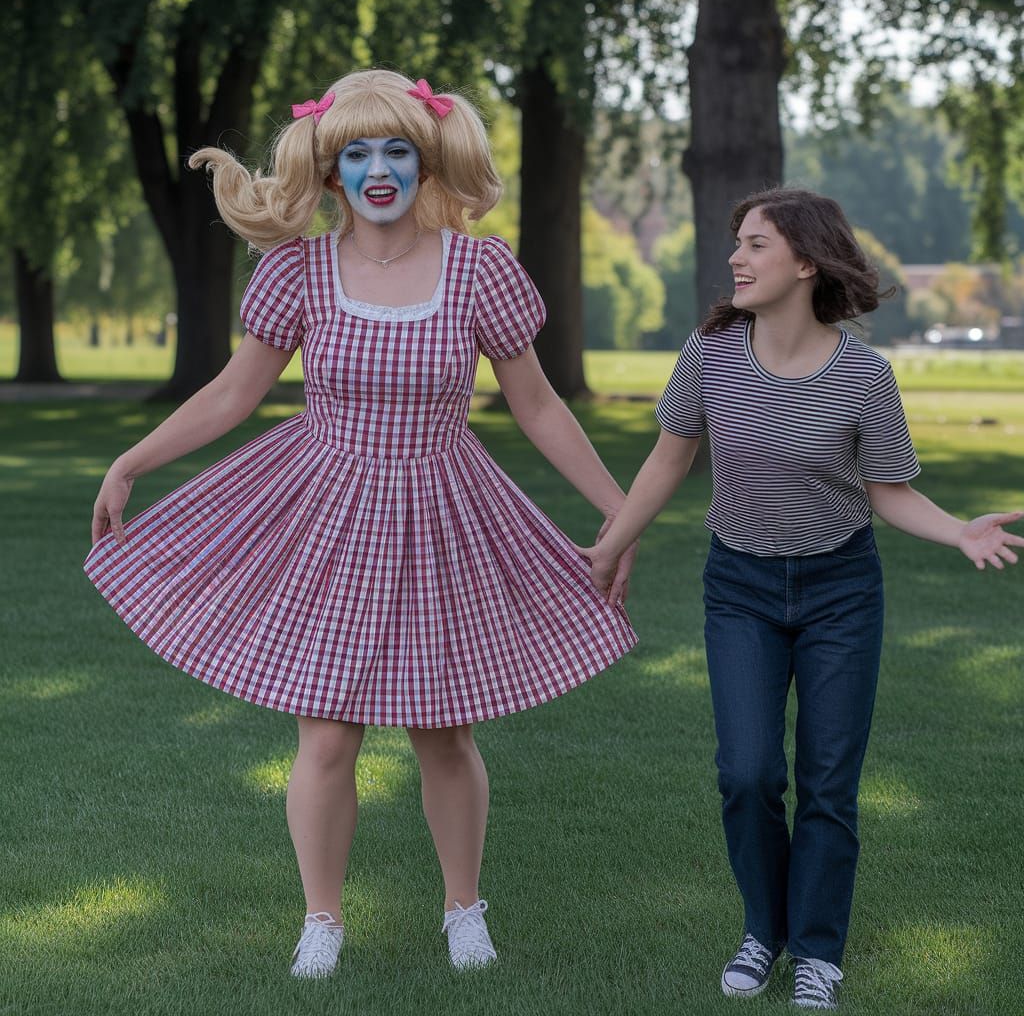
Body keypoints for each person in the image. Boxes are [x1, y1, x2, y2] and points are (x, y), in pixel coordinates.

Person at [84, 69, 636, 979]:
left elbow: (537, 407)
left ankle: (465, 910)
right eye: (357, 155)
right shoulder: (297, 269)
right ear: (330, 173)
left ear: (427, 162)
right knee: (328, 731)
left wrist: (621, 510)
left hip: (444, 507)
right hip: (323, 508)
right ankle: (322, 920)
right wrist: (130, 460)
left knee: (445, 728)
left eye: (398, 152)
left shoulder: (479, 269)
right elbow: (234, 392)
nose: (379, 171)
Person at [579, 187, 1022, 1010]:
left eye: (755, 245)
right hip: (739, 587)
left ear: (806, 262)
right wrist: (609, 545)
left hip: (840, 591)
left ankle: (817, 950)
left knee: (828, 782)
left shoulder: (863, 375)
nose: (736, 259)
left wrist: (959, 529)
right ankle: (761, 931)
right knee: (747, 773)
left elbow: (887, 490)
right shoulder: (710, 354)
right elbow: (669, 461)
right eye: (737, 243)